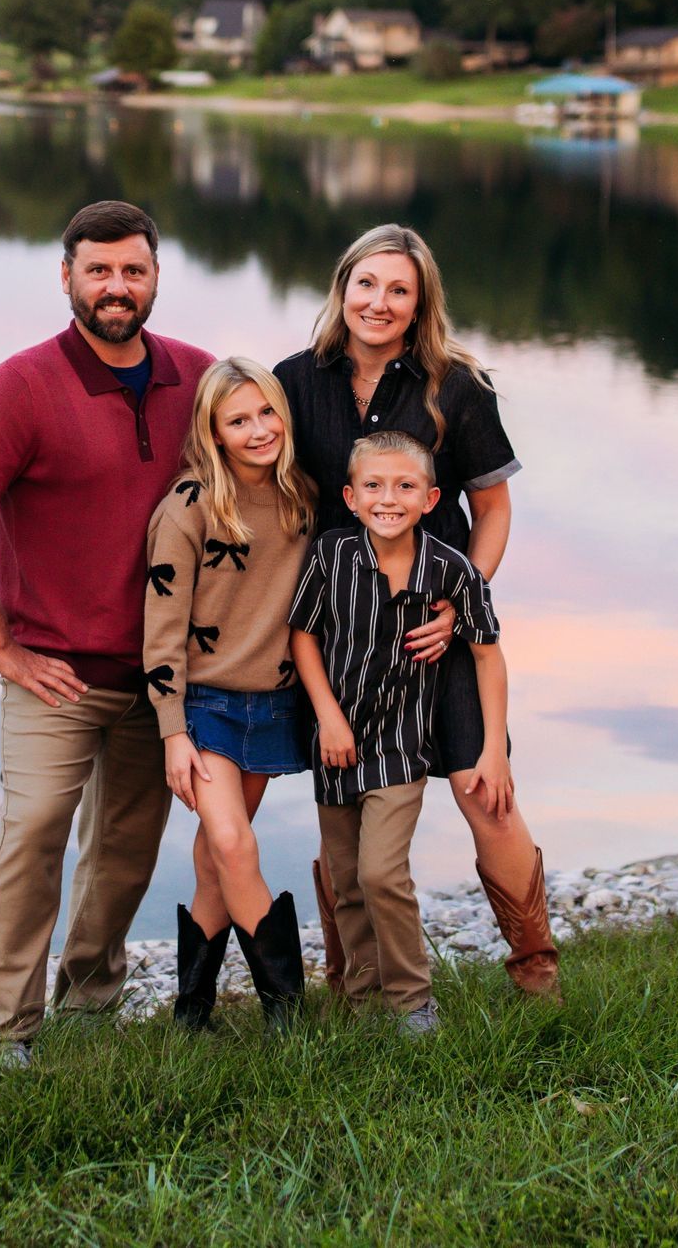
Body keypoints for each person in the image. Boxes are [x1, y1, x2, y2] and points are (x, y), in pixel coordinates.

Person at [0, 200, 213, 1068]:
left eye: (133, 270)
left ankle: (90, 1000)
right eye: (99, 270)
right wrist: (1, 648)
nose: (116, 287)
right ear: (67, 277)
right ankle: (4, 1031)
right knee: (37, 830)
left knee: (126, 847)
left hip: (164, 674)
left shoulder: (200, 379)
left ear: (157, 276)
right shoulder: (18, 386)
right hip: (53, 669)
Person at [276, 223, 560, 999]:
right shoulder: (295, 382)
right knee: (349, 804)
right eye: (366, 284)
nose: (379, 301)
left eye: (398, 288)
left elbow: (492, 507)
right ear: (342, 288)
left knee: (483, 787)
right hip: (342, 640)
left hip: (442, 634)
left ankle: (537, 973)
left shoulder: (456, 386)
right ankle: (355, 980)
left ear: (420, 300)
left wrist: (462, 601)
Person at [288, 431, 507, 1034]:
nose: (389, 499)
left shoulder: (451, 569)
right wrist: (328, 718)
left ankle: (412, 1001)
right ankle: (360, 1001)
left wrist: (493, 750)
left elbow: (488, 655)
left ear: (431, 498)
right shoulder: (331, 555)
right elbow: (302, 637)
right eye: (374, 487)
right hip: (334, 744)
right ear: (351, 497)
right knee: (347, 882)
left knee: (382, 871)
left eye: (405, 486)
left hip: (400, 748)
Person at [143, 357, 317, 1029]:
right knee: (235, 846)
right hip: (204, 706)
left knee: (218, 857)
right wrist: (172, 732)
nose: (257, 430)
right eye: (238, 420)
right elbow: (161, 631)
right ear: (213, 432)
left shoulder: (301, 497)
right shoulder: (188, 508)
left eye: (267, 413)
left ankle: (192, 1011)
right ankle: (288, 1016)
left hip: (271, 704)